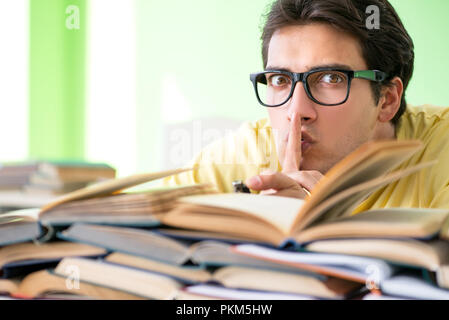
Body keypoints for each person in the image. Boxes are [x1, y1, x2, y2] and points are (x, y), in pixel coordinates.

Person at [163, 0, 449, 211]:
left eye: (330, 78)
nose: (296, 111)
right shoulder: (241, 156)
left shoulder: (441, 153)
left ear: (387, 99)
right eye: (280, 79)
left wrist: (319, 230)